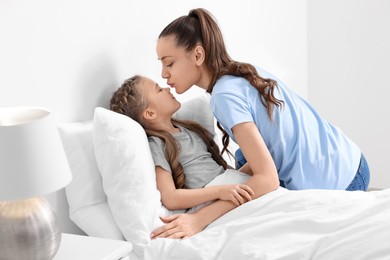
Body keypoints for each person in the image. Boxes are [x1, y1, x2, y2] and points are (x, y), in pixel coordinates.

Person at [151, 8, 371, 238]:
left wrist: (200, 218)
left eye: (169, 63)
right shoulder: (242, 72)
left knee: (247, 174)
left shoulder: (224, 97)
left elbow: (267, 180)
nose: (164, 74)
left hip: (343, 183)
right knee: (242, 161)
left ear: (197, 55)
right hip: (351, 157)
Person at [110, 75, 255, 238]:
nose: (166, 88)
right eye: (158, 89)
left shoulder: (191, 129)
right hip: (213, 199)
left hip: (231, 186)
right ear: (150, 113)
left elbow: (222, 173)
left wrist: (256, 165)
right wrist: (221, 191)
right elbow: (171, 198)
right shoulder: (158, 144)